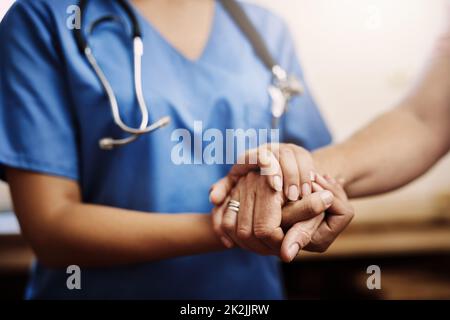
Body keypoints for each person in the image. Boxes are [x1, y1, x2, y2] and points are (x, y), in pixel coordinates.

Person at [0, 0, 332, 299]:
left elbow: (316, 172)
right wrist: (234, 225)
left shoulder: (264, 29)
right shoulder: (44, 18)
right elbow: (52, 228)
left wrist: (299, 187)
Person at [210, 12, 450, 262]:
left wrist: (287, 187)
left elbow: (424, 121)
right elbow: (423, 119)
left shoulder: (268, 30)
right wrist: (297, 179)